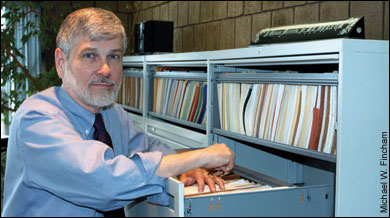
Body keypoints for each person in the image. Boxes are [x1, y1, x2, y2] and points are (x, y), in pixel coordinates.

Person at [2, 7, 234, 217]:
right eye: (90, 55)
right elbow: (104, 182)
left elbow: (154, 150)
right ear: (61, 63)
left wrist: (187, 169)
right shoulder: (36, 120)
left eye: (113, 56)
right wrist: (201, 156)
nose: (105, 69)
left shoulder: (113, 114)